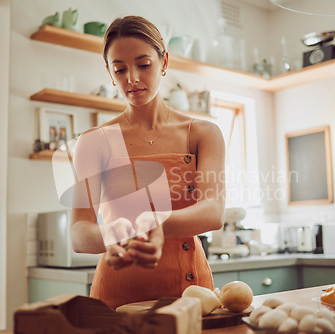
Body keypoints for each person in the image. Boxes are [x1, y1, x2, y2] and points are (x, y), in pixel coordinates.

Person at [69, 15, 225, 309]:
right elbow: (79, 233)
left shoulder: (202, 133)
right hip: (117, 300)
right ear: (109, 72)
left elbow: (213, 212)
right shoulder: (94, 141)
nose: (132, 79)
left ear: (164, 62)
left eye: (143, 64)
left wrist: (158, 222)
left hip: (191, 295)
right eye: (119, 69)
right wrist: (113, 234)